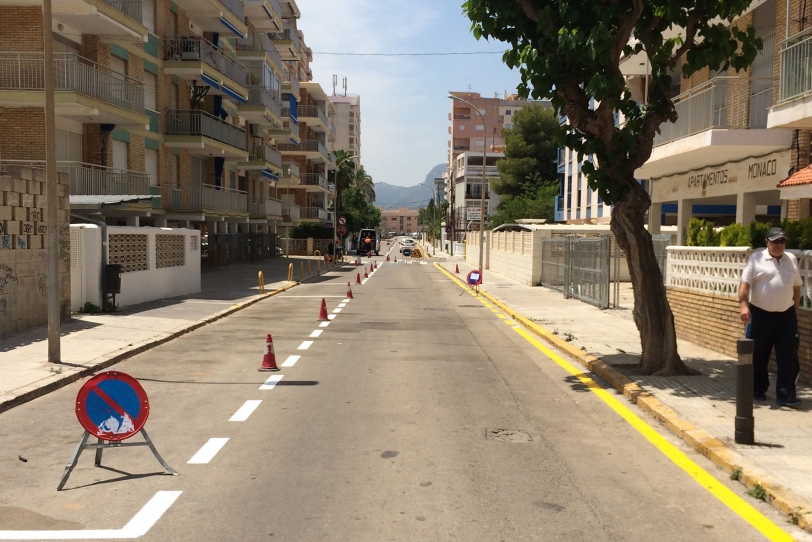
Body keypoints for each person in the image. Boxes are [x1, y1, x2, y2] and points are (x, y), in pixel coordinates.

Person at [739, 227, 802, 407]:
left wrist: (793, 310)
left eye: (782, 241)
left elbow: (797, 288)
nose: (779, 245)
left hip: (786, 317)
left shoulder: (791, 259)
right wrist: (744, 305)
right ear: (767, 241)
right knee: (758, 356)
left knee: (788, 357)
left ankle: (786, 395)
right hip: (760, 316)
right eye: (775, 241)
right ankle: (758, 390)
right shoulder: (756, 259)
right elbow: (744, 286)